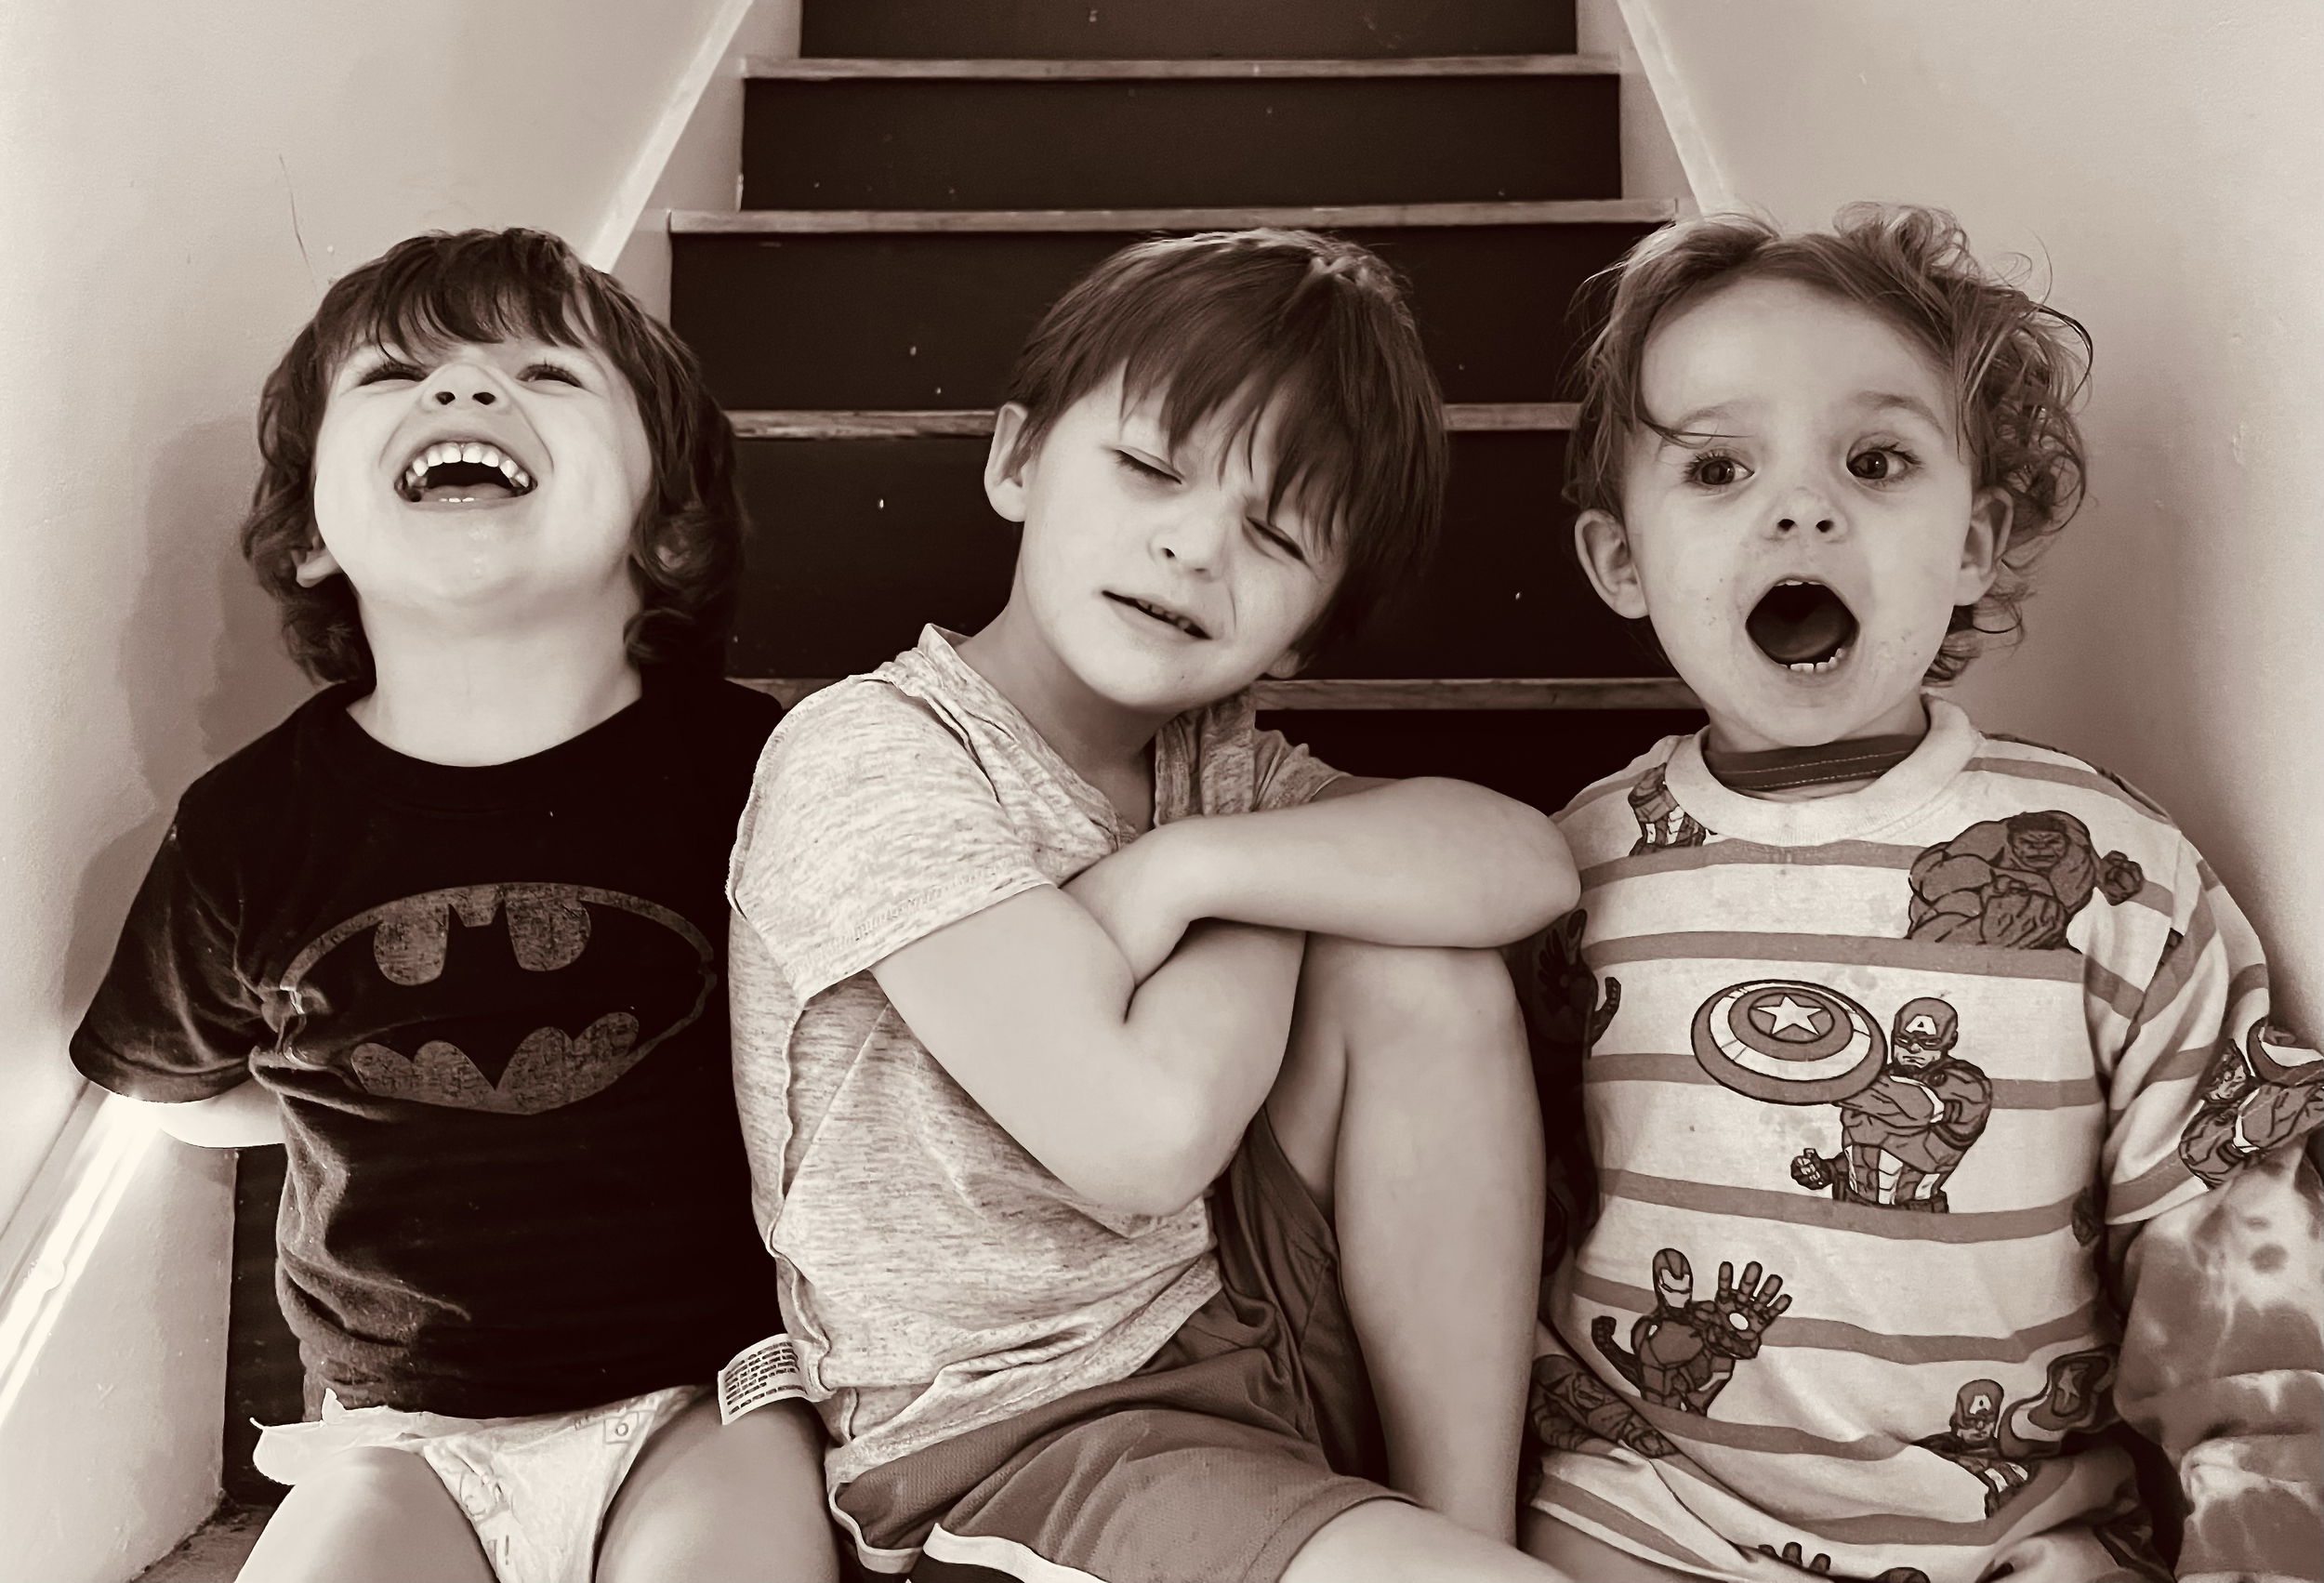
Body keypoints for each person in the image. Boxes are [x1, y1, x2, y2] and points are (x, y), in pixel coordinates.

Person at [726, 229, 1585, 1581]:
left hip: (1254, 1339)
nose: (1192, 546)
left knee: (1429, 969)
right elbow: (1141, 1135)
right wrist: (1282, 870)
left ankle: (1463, 1531)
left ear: (1304, 632)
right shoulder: (871, 751)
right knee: (1371, 908)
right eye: (1147, 468)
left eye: (1275, 531)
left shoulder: (1218, 768)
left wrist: (1189, 866)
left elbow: (1527, 861)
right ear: (1017, 460)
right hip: (1026, 1434)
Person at [1513, 204, 2323, 1583]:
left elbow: (2238, 1242)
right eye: (1716, 468)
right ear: (1621, 564)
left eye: (1875, 460)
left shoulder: (2106, 875)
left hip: (2017, 1533)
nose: (1800, 504)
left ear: (1972, 544)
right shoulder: (1570, 871)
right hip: (1647, 1515)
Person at [70, 229, 836, 1583]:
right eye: (401, 376)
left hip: (711, 1393)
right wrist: (342, 1088)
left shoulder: (756, 772)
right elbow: (157, 1080)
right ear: (311, 534)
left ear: (667, 521)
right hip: (396, 1425)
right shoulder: (253, 828)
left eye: (542, 371)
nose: (467, 396)